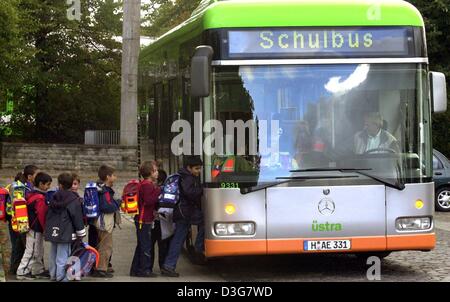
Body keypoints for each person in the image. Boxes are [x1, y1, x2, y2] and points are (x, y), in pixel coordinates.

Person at [161, 156, 205, 277]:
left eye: (200, 168)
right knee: (179, 239)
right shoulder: (188, 177)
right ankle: (197, 249)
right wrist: (202, 189)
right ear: (189, 168)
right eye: (196, 168)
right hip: (185, 213)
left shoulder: (185, 176)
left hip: (184, 212)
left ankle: (169, 265)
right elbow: (189, 192)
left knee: (179, 239)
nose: (199, 171)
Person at [44, 173, 86, 282]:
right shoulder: (73, 199)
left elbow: (48, 214)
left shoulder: (54, 197)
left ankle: (53, 275)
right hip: (66, 232)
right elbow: (77, 217)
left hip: (53, 230)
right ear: (71, 184)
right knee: (63, 256)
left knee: (53, 254)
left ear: (60, 184)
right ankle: (61, 277)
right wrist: (81, 233)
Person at [16, 172, 52, 280]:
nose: (48, 187)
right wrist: (45, 228)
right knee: (32, 250)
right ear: (41, 184)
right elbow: (41, 215)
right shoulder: (39, 198)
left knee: (39, 250)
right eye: (48, 184)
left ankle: (38, 270)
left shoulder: (32, 194)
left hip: (34, 227)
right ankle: (22, 271)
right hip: (35, 228)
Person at [130, 161, 161, 277]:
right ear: (150, 173)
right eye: (155, 171)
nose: (157, 173)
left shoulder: (144, 184)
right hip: (144, 219)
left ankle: (135, 269)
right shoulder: (147, 185)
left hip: (143, 219)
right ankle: (145, 270)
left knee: (141, 245)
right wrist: (159, 191)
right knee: (146, 246)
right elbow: (149, 200)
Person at [7, 165, 39, 275]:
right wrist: (24, 225)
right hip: (20, 221)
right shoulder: (23, 187)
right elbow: (20, 206)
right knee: (21, 246)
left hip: (16, 221)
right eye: (36, 174)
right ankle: (16, 270)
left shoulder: (24, 185)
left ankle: (15, 268)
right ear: (30, 176)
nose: (37, 176)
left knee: (19, 246)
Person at [91, 165, 121, 278]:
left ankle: (99, 266)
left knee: (101, 244)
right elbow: (106, 206)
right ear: (108, 177)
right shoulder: (104, 191)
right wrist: (118, 203)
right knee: (106, 245)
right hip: (104, 222)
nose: (116, 177)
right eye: (113, 175)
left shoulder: (100, 188)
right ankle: (101, 269)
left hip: (98, 221)